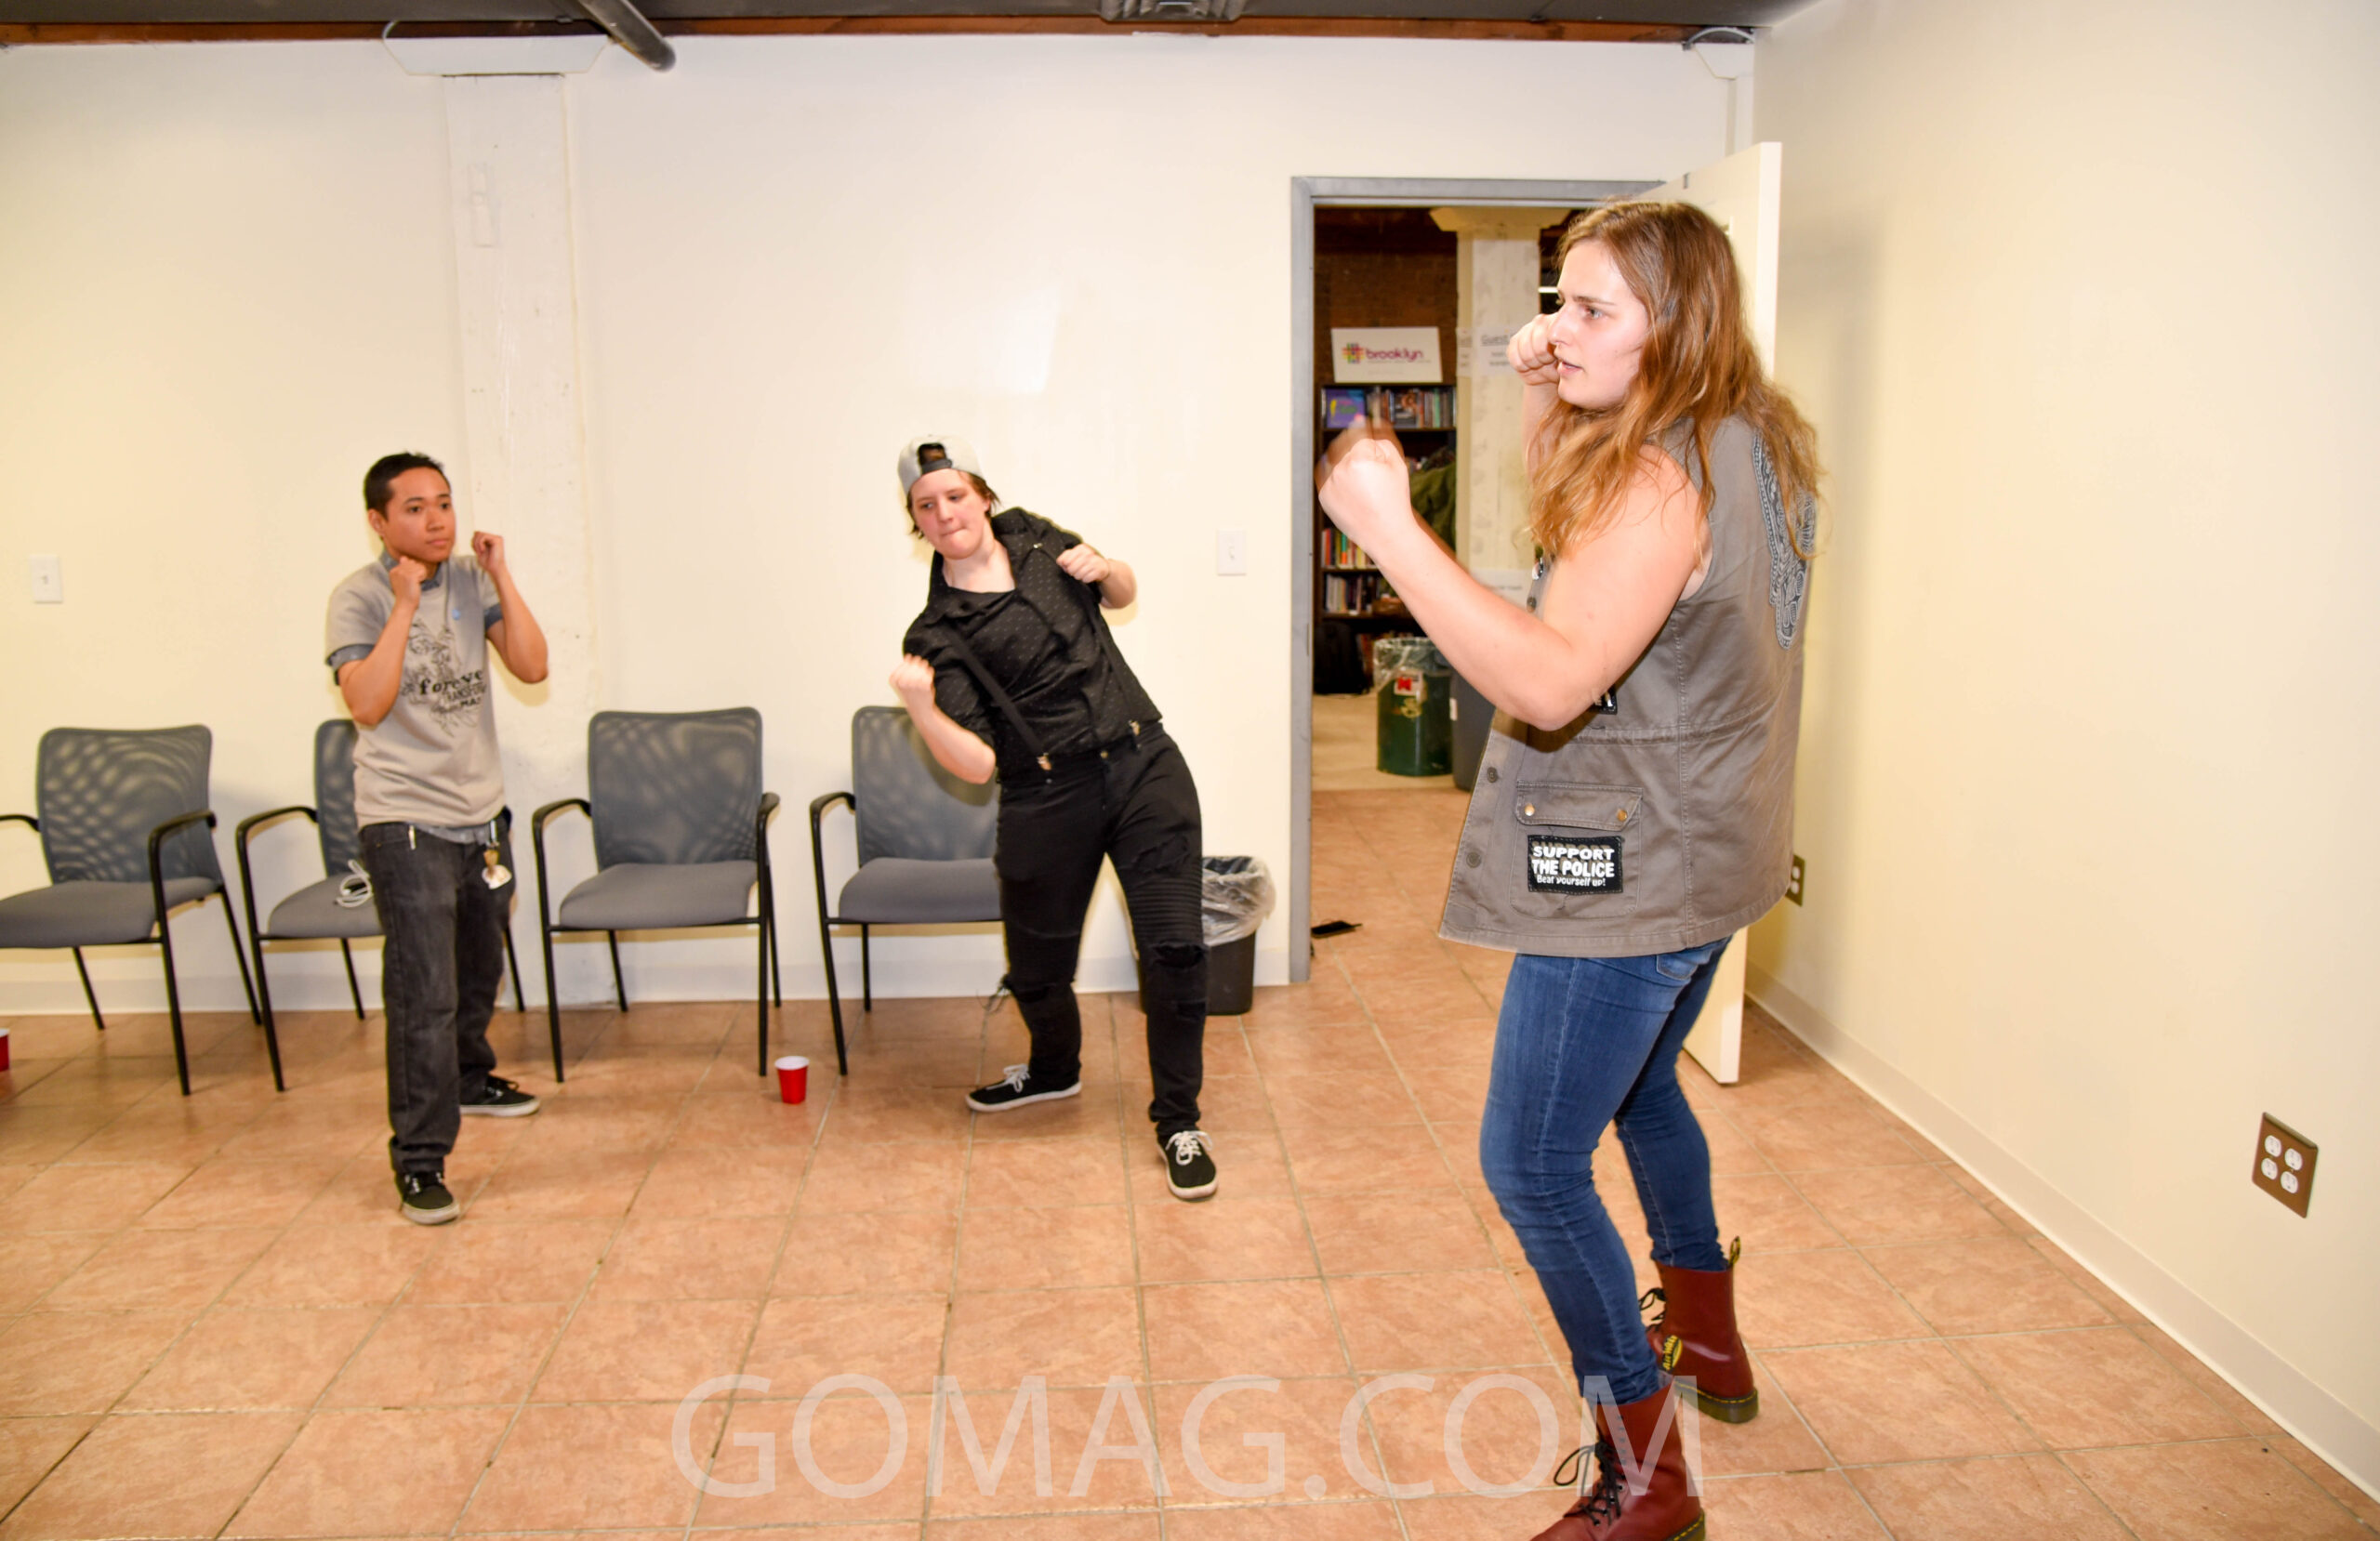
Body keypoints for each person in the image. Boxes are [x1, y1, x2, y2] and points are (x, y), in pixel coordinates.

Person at [1316, 202, 1819, 1541]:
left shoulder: (1665, 477)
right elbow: (1594, 564)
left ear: (1679, 323)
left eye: (1595, 308)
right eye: (1560, 298)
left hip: (1635, 871)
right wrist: (1550, 393)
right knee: (1645, 1089)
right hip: (1716, 847)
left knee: (1534, 1165)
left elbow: (1548, 673)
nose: (1559, 326)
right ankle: (1708, 1339)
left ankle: (1647, 1477)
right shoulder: (1752, 437)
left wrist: (1387, 529)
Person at [888, 436, 1218, 1202]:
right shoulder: (935, 634)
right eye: (926, 506)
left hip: (1143, 764)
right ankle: (1052, 1071)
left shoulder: (1035, 536)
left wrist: (1109, 567)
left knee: (1174, 949)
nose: (945, 514)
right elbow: (977, 765)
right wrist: (920, 708)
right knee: (1036, 970)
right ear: (917, 522)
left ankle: (1179, 1121)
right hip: (1045, 795)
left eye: (955, 496)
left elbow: (1122, 594)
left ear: (983, 497)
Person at [326, 452, 550, 1225]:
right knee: (423, 994)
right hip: (404, 819)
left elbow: (532, 666)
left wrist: (501, 575)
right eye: (415, 508)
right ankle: (420, 1161)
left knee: (479, 968)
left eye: (445, 504)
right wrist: (402, 606)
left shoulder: (469, 580)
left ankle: (467, 1076)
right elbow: (366, 703)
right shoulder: (358, 597)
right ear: (379, 521)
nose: (436, 521)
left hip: (480, 817)